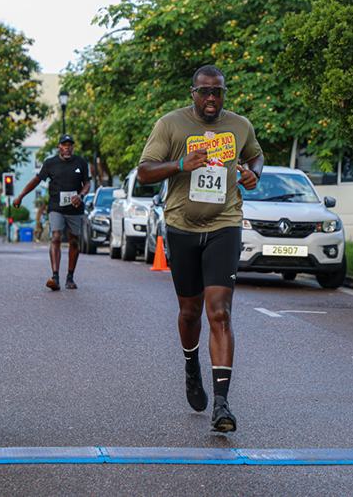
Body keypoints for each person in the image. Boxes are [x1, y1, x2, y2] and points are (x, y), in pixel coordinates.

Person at [137, 65, 264, 433]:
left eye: (218, 92)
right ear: (192, 93)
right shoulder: (170, 125)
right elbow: (144, 172)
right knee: (189, 312)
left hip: (225, 224)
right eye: (204, 92)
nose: (211, 99)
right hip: (181, 227)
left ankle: (222, 405)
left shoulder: (239, 126)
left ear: (224, 93)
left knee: (219, 312)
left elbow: (255, 154)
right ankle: (191, 367)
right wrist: (180, 164)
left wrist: (255, 172)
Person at [14, 134, 91, 290]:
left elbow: (87, 183)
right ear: (59, 148)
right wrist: (21, 196)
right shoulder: (50, 164)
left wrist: (81, 196)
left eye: (70, 145)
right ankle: (55, 276)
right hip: (56, 207)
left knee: (74, 241)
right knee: (55, 237)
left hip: (75, 208)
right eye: (64, 145)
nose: (67, 147)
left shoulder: (81, 163)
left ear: (73, 147)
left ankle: (70, 277)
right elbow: (36, 180)